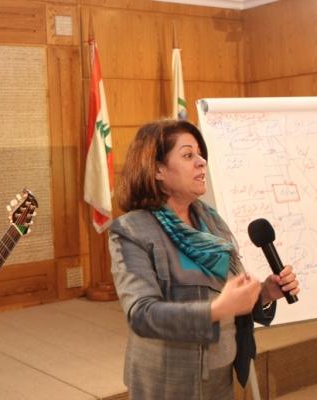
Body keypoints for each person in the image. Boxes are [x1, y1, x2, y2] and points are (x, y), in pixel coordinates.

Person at [109, 119, 300, 399]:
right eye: (188, 155)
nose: (202, 162)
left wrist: (265, 293)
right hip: (167, 382)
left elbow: (227, 295)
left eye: (200, 154)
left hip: (220, 373)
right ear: (158, 169)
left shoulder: (211, 221)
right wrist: (215, 310)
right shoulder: (132, 230)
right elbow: (142, 314)